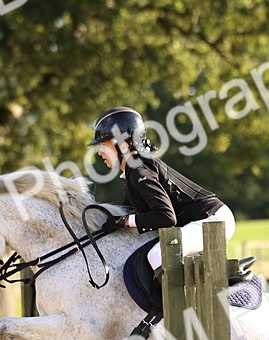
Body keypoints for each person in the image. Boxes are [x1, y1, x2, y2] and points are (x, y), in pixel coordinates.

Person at [89, 107, 237, 275]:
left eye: (104, 144)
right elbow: (130, 212)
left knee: (158, 255)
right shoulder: (133, 170)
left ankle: (181, 301)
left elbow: (166, 217)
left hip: (212, 220)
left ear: (123, 144)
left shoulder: (139, 171)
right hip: (203, 219)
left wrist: (124, 221)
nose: (100, 152)